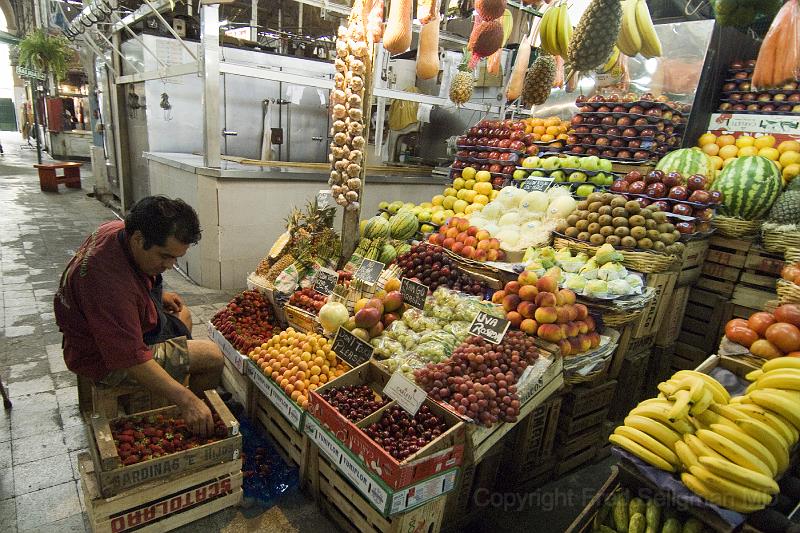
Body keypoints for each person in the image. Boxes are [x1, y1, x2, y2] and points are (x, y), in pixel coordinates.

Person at [54, 196, 224, 436]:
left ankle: (174, 395)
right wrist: (185, 399)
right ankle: (190, 420)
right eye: (164, 256)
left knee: (181, 314)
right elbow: (131, 359)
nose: (169, 265)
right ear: (138, 239)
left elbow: (134, 282)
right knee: (211, 356)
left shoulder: (115, 231)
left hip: (103, 329)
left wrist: (158, 296)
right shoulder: (108, 284)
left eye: (176, 257)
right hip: (100, 358)